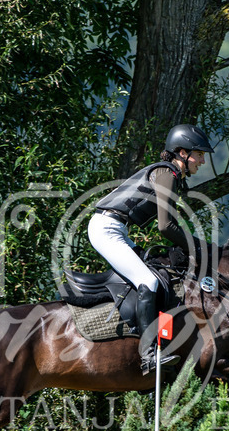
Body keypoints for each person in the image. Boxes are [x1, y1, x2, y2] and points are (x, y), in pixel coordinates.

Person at [89, 123, 213, 374]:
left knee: (161, 276)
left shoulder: (171, 175)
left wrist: (196, 247)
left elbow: (173, 223)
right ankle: (148, 355)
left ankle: (161, 338)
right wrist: (201, 247)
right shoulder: (166, 173)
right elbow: (166, 227)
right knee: (148, 280)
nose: (201, 161)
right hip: (105, 229)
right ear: (181, 153)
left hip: (115, 229)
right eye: (198, 154)